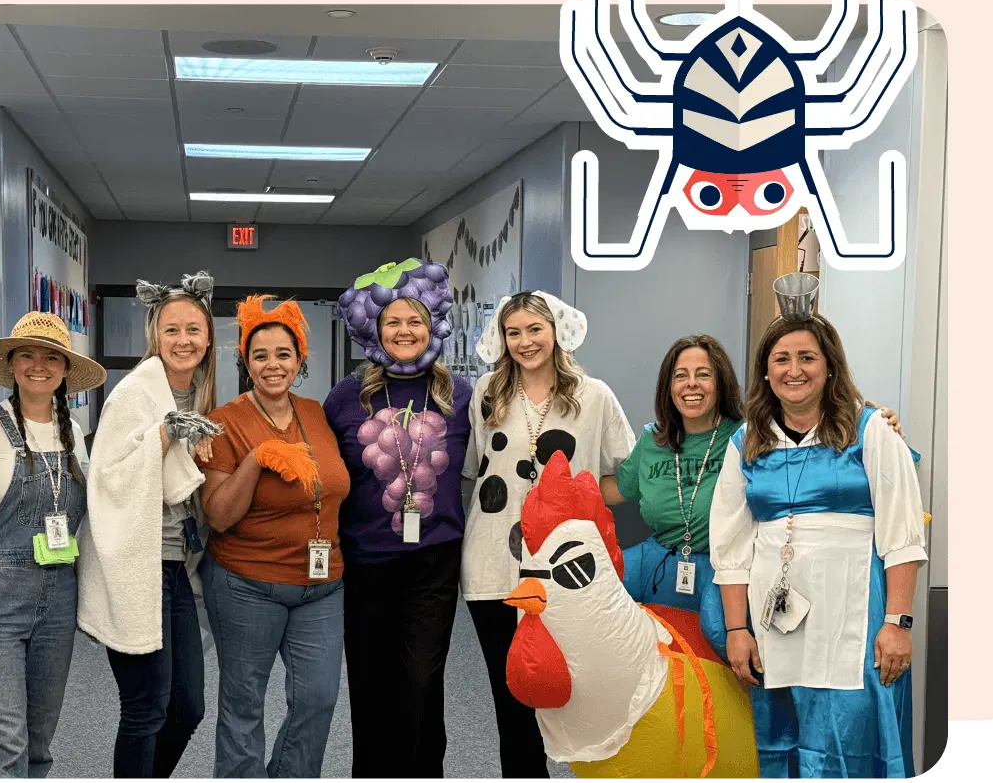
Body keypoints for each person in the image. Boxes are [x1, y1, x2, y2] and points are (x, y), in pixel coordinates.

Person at [709, 273, 927, 779]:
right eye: (781, 359)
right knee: (779, 736)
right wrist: (737, 630)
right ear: (765, 372)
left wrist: (898, 623)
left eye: (807, 358)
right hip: (773, 614)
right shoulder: (747, 441)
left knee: (852, 732)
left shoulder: (870, 429)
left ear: (830, 367)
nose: (794, 370)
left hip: (857, 614)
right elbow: (732, 547)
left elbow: (903, 538)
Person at [606, 333, 906, 660]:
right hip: (663, 556)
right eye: (681, 376)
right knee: (600, 591)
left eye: (703, 375)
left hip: (726, 563)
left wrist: (878, 425)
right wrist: (553, 477)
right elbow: (614, 490)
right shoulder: (653, 439)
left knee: (718, 624)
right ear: (668, 386)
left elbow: (810, 439)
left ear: (721, 383)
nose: (691, 384)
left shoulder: (750, 435)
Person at [461, 290, 636, 780]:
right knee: (513, 695)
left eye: (534, 330)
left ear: (558, 331)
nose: (524, 342)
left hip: (567, 571)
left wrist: (583, 501)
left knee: (580, 691)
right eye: (512, 332)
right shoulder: (487, 393)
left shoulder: (593, 396)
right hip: (495, 564)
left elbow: (624, 475)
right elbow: (476, 469)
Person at [323, 259, 473, 777]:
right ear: (375, 329)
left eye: (415, 320)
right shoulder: (345, 397)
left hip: (433, 564)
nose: (405, 331)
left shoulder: (461, 396)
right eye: (393, 322)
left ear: (432, 324)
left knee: (421, 682)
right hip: (365, 562)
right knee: (368, 684)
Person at [196, 295, 352, 780]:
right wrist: (257, 457)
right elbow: (219, 516)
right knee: (244, 705)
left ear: (300, 359)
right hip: (247, 583)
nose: (272, 365)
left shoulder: (316, 413)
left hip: (322, 586)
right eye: (260, 355)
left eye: (283, 354)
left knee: (318, 699)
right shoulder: (224, 422)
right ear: (245, 361)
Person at [0, 311, 107, 780]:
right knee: (4, 749)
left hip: (58, 599)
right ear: (12, 364)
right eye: (27, 356)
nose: (39, 365)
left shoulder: (73, 431)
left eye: (51, 357)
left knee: (39, 746)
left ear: (64, 369)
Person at [77, 273, 223, 782]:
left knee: (189, 706)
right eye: (171, 331)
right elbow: (109, 479)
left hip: (175, 568)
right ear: (153, 337)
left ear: (208, 337)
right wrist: (164, 435)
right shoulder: (135, 393)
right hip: (136, 566)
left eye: (193, 330)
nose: (183, 341)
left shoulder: (200, 394)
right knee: (146, 707)